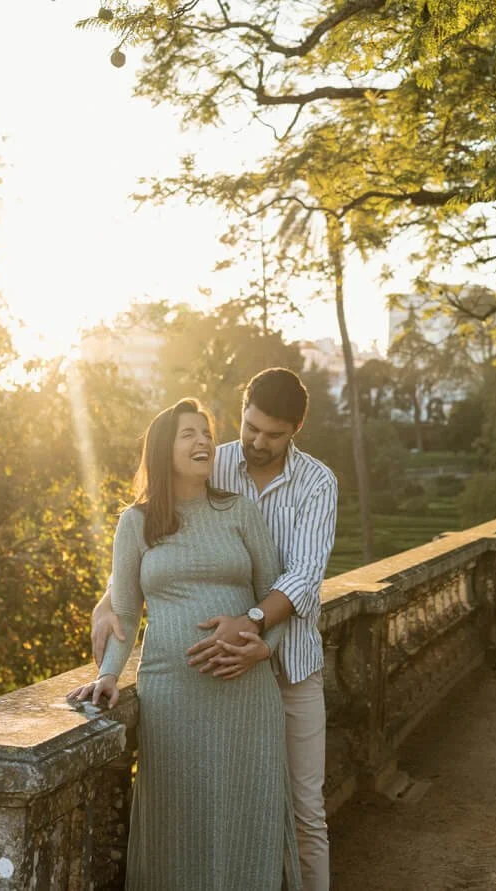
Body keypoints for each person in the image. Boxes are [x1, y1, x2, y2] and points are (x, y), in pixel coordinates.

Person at [92, 368, 337, 891]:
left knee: (296, 813)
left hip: (272, 675)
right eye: (250, 427)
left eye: (274, 434)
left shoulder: (304, 487)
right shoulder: (167, 496)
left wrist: (256, 645)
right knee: (179, 817)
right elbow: (129, 600)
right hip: (174, 693)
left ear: (295, 429)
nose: (256, 441)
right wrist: (108, 655)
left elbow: (294, 581)